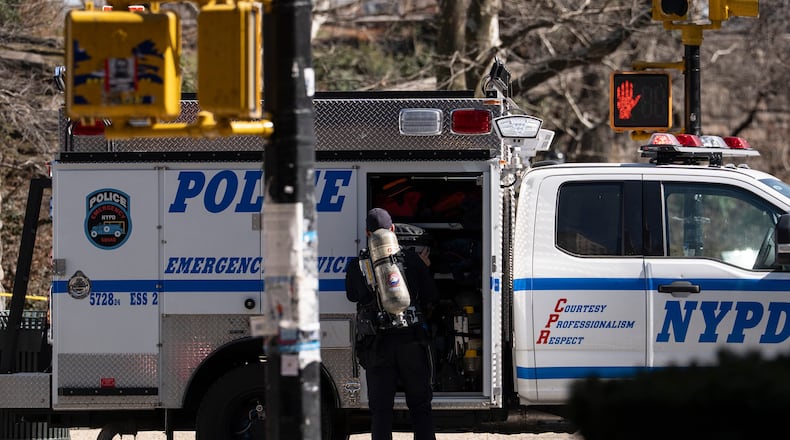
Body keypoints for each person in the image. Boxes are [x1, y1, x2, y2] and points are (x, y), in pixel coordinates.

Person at [346, 208, 438, 440]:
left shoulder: (356, 264)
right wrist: (423, 270)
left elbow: (352, 296)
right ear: (393, 229)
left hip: (377, 346)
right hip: (411, 342)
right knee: (420, 406)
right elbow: (431, 295)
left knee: (381, 411)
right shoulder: (411, 259)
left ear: (367, 232)